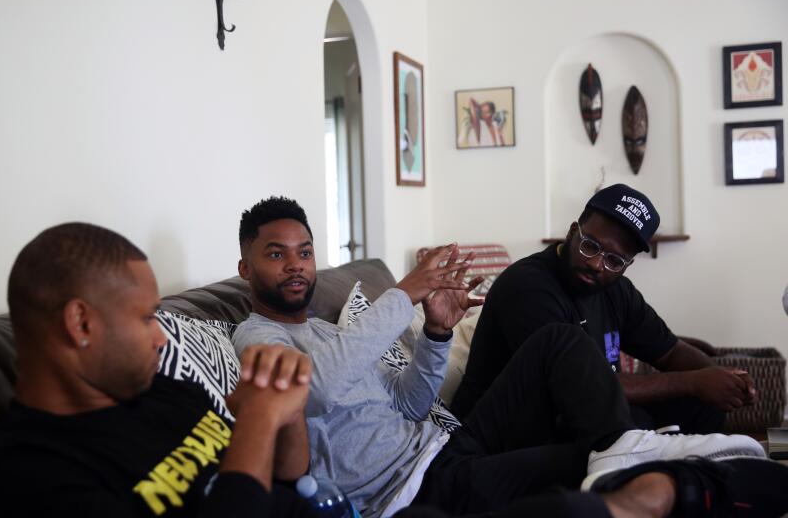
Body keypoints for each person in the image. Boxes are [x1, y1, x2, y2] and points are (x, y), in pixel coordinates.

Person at [231, 196, 765, 518]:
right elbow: (317, 390)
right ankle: (646, 455)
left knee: (559, 342)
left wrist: (438, 334)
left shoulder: (329, 330)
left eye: (304, 252)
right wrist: (404, 294)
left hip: (444, 444)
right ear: (245, 268)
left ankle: (629, 447)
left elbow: (411, 405)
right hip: (411, 490)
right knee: (592, 462)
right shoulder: (255, 341)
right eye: (275, 255)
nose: (296, 266)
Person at [0, 223, 317, 518]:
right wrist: (259, 420)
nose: (161, 338)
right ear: (81, 324)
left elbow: (288, 477)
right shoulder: (17, 482)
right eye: (146, 319)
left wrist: (287, 404)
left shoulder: (165, 391)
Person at [452, 184, 757, 435]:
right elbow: (584, 387)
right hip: (505, 425)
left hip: (575, 411)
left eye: (614, 260)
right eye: (591, 246)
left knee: (702, 407)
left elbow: (670, 351)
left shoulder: (616, 290)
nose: (597, 264)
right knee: (631, 423)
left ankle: (677, 483)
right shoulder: (529, 286)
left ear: (628, 264)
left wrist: (722, 376)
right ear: (573, 232)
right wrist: (694, 382)